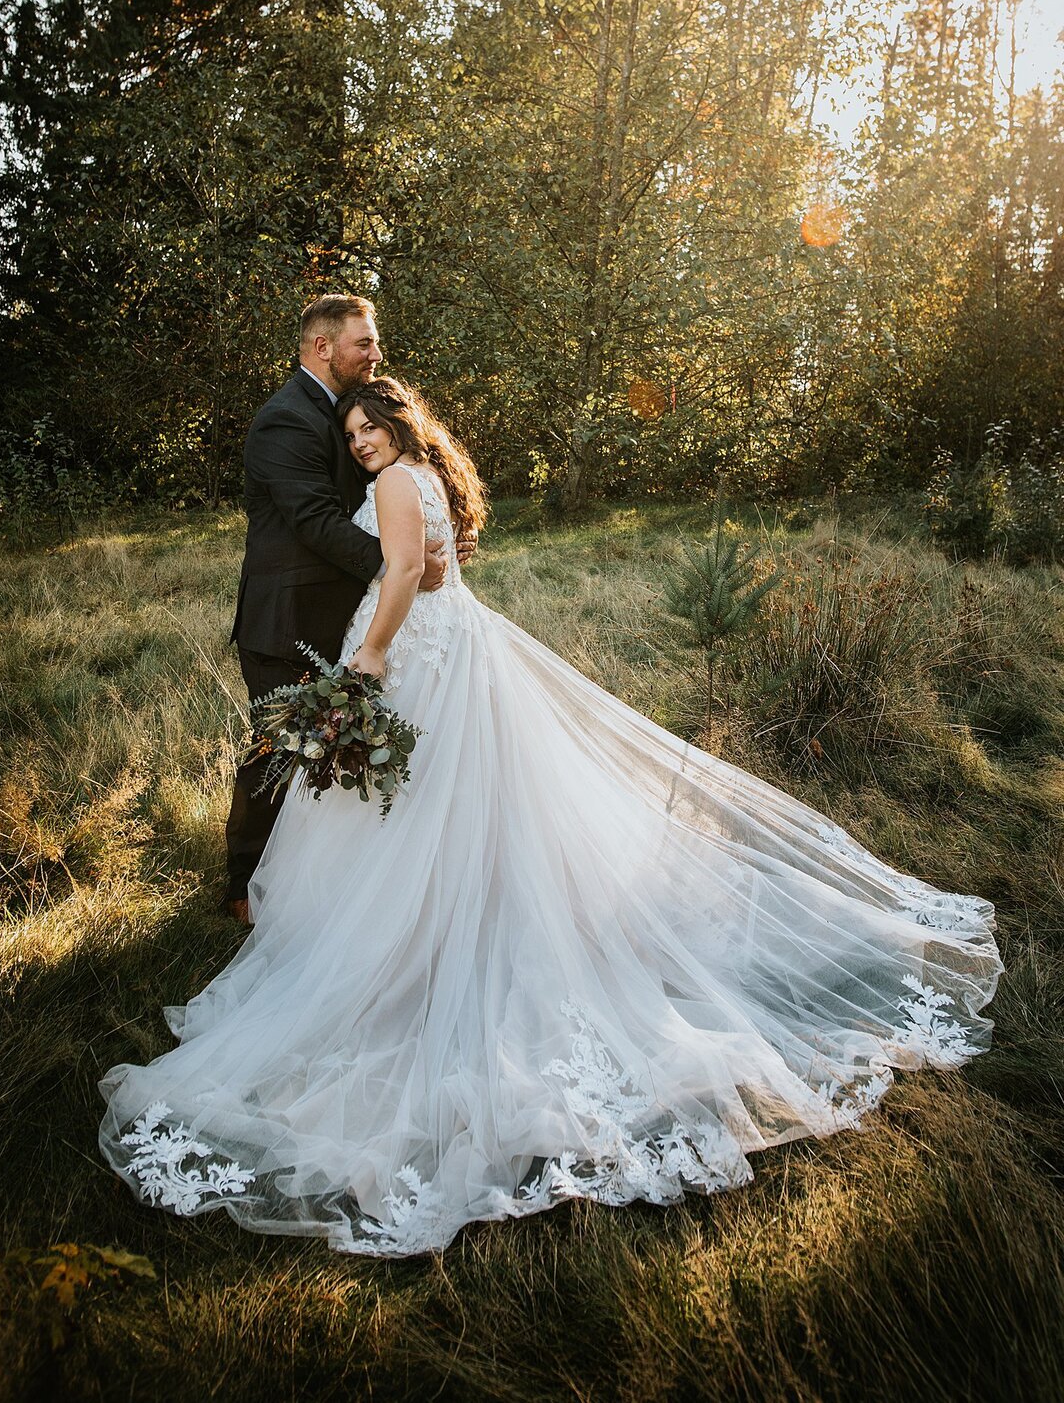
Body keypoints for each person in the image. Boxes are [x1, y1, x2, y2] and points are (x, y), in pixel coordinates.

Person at [100, 377, 1003, 1256]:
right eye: (352, 438)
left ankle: (410, 945)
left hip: (411, 655)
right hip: (447, 645)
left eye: (371, 428)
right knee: (442, 805)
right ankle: (443, 921)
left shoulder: (391, 483)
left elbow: (407, 567)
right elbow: (424, 561)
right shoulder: (422, 478)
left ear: (399, 423)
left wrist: (369, 659)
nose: (362, 444)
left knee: (409, 806)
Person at [222, 296, 468, 922]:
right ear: (322, 346)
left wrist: (431, 536)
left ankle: (331, 880)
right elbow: (314, 520)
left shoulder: (344, 414)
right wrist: (404, 568)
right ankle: (244, 887)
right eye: (365, 342)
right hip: (288, 621)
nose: (376, 353)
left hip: (351, 617)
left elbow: (395, 492)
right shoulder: (284, 419)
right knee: (278, 751)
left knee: (334, 752)